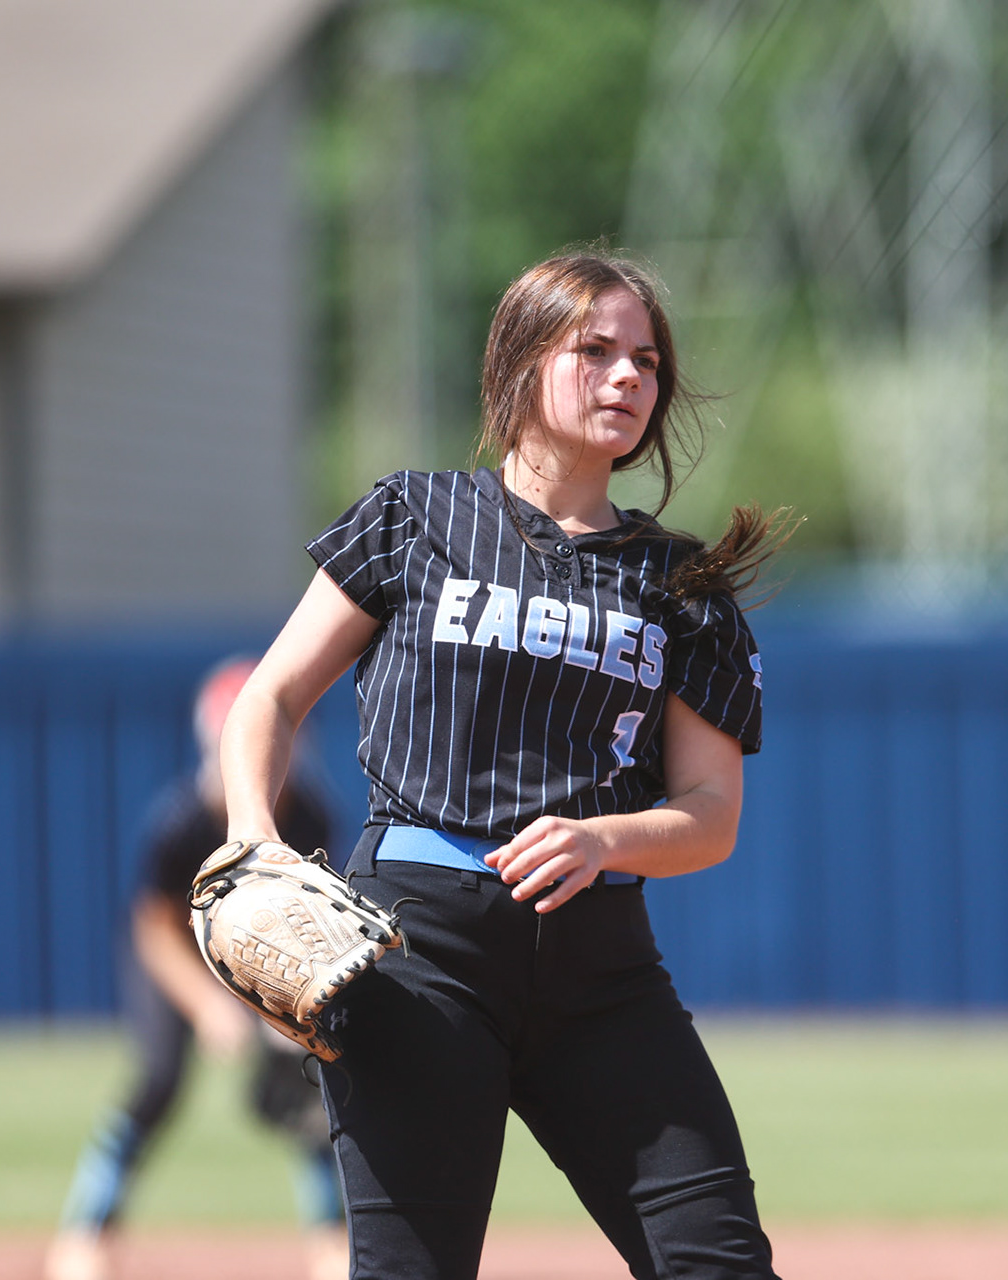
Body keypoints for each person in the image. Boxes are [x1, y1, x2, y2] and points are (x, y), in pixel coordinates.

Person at [218, 250, 787, 1279]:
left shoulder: (683, 583)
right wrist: (251, 835)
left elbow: (711, 811)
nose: (627, 377)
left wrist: (605, 835)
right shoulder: (416, 518)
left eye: (646, 361)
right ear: (524, 362)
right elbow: (272, 696)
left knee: (721, 1266)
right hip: (420, 955)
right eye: (596, 350)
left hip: (601, 971)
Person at [45, 657, 349, 1280]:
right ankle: (87, 1231)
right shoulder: (181, 821)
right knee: (160, 1079)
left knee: (303, 1083)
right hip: (177, 958)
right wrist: (210, 1007)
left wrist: (277, 1008)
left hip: (260, 961)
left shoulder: (311, 814)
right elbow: (153, 928)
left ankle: (330, 1237)